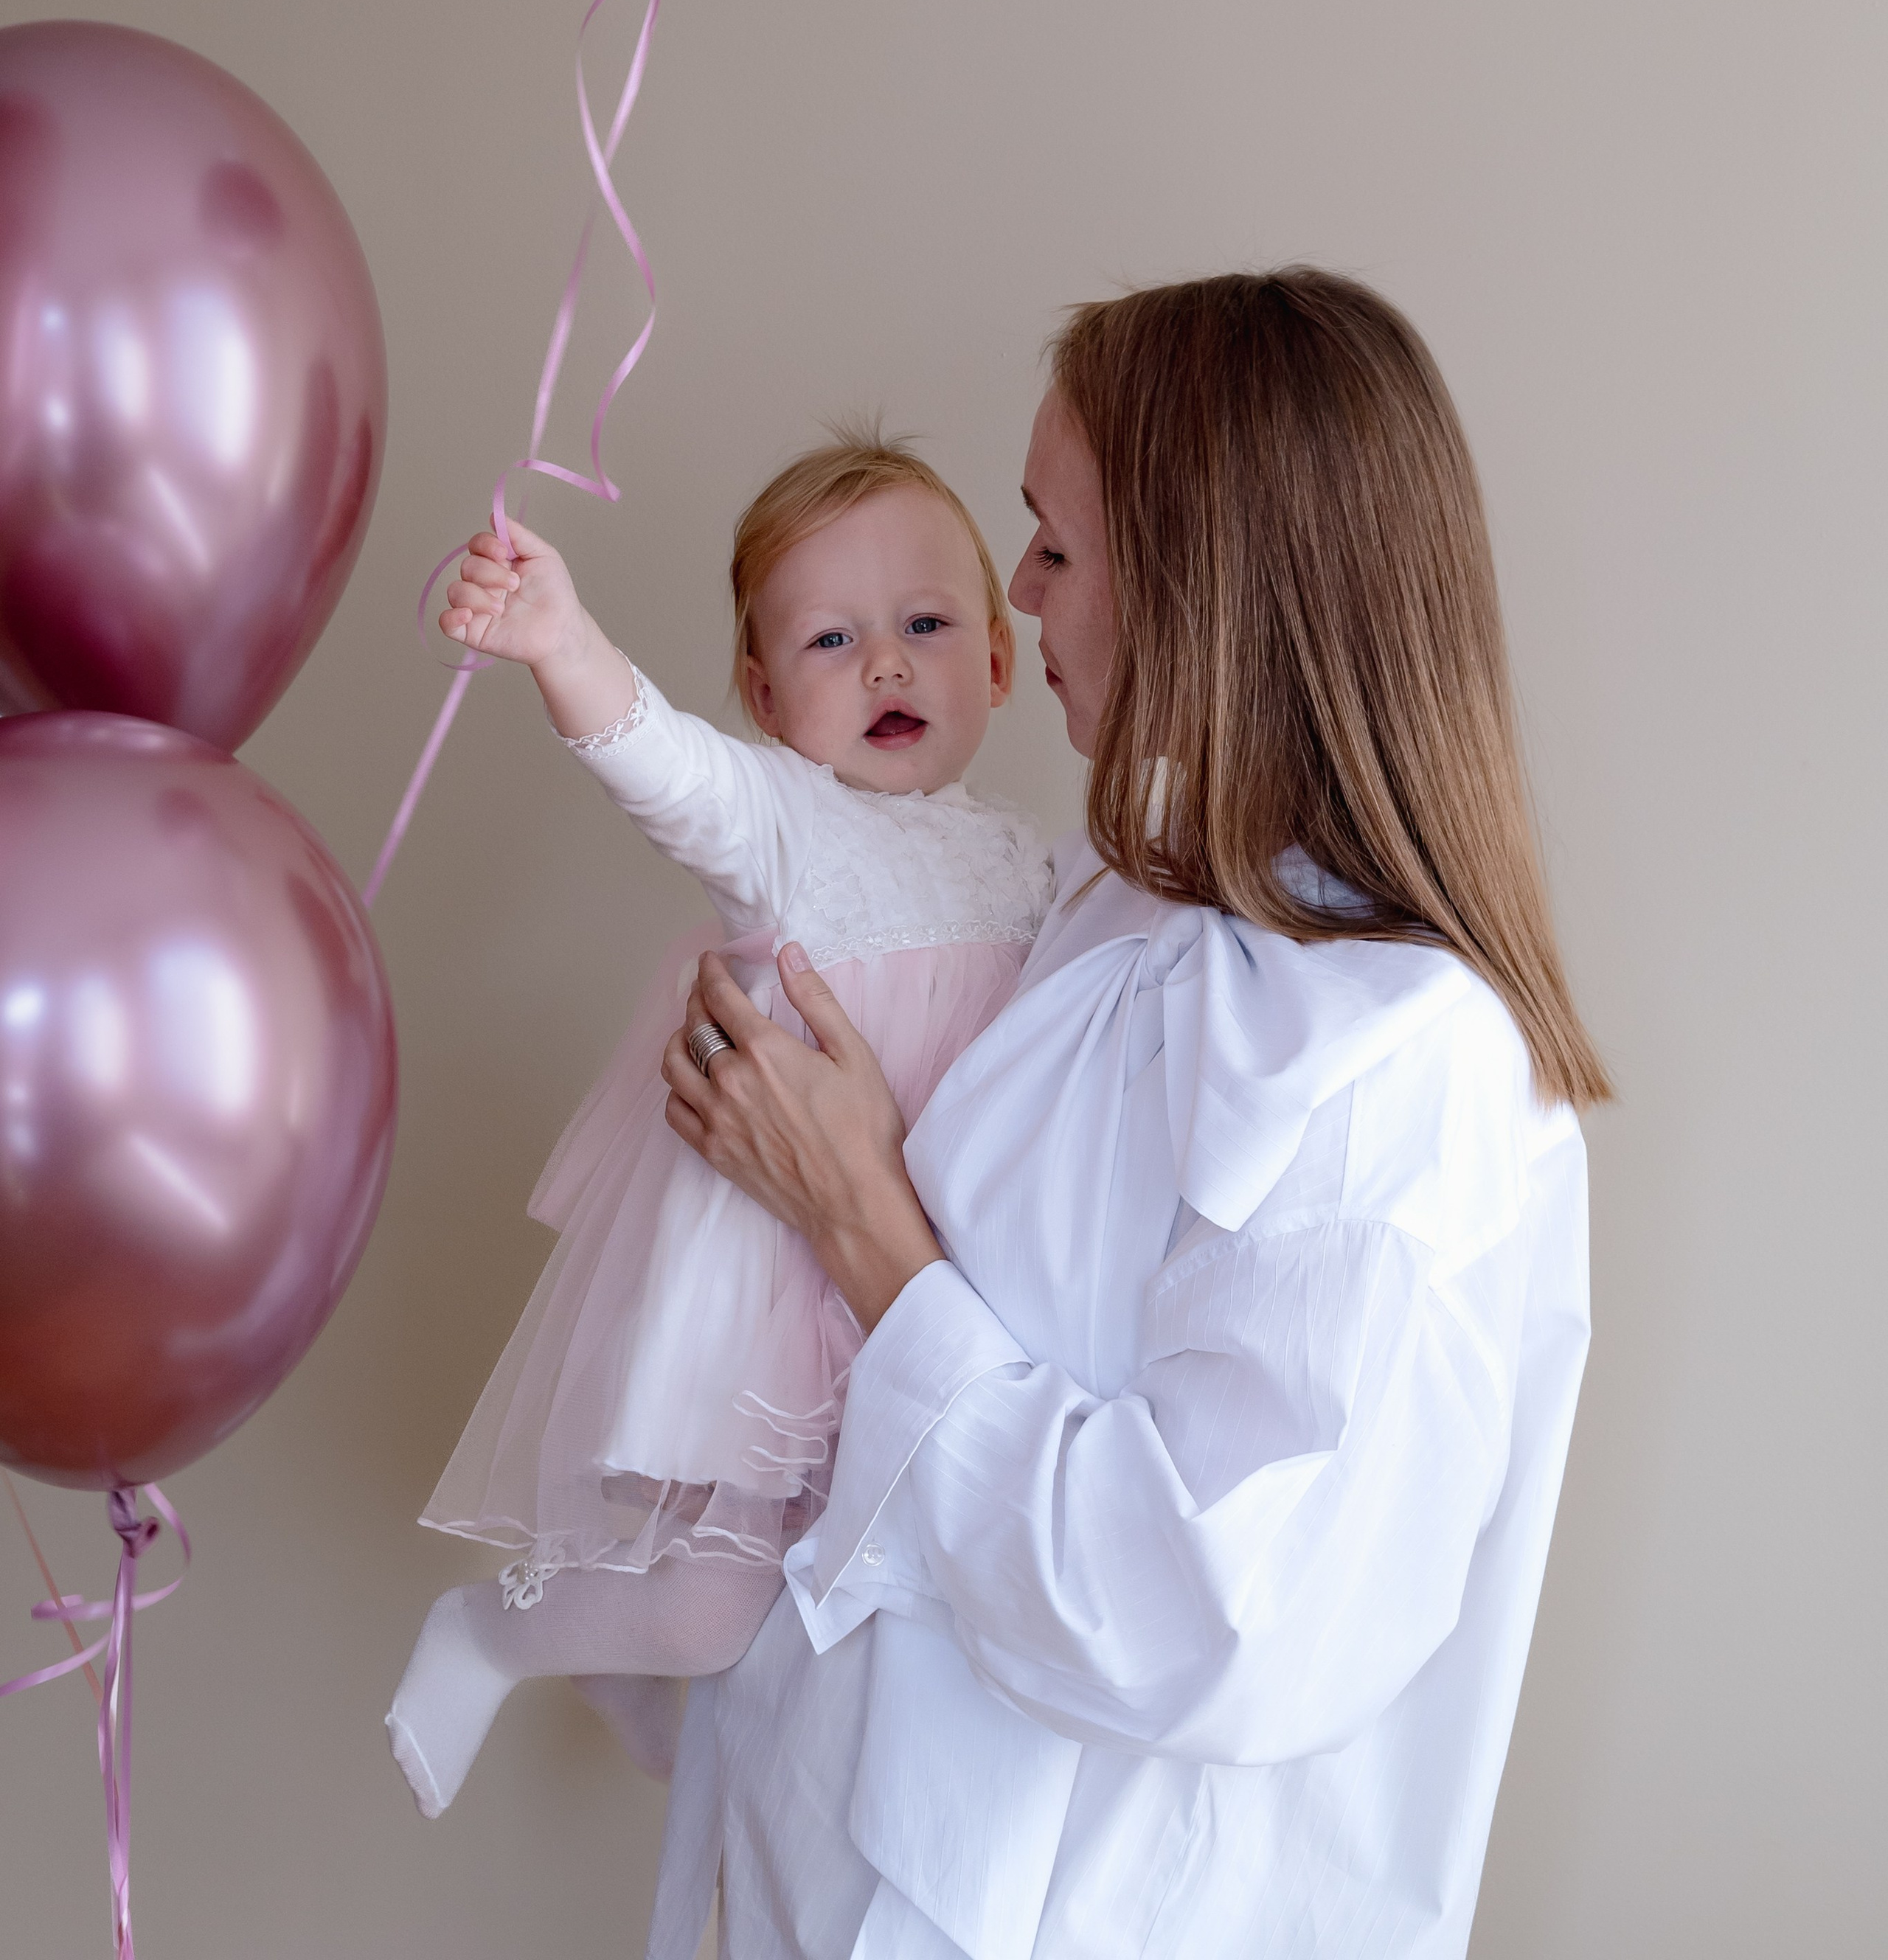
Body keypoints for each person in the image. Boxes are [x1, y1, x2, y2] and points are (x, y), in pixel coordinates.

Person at [645, 269, 1611, 1960]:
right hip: (826, 1876)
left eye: (1054, 546)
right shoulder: (1116, 908)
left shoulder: (1406, 1066)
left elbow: (1200, 1615)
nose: (1014, 594)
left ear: (1202, 587)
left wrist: (863, 1228)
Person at [385, 438, 1052, 1818]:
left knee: (878, 1593)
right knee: (714, 1609)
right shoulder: (786, 826)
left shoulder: (1040, 864)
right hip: (782, 1278)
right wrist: (561, 641)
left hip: (932, 1278)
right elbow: (666, 766)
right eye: (831, 638)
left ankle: (624, 1674)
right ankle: (497, 1634)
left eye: (925, 626)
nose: (885, 664)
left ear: (996, 657)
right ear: (763, 695)